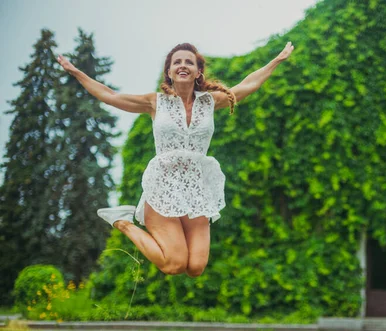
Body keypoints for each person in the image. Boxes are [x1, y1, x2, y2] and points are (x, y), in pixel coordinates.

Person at [56, 41, 294, 278]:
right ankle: (123, 221)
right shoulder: (155, 102)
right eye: (176, 62)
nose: (182, 65)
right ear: (169, 72)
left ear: (198, 72)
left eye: (188, 62)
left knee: (196, 268)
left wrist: (277, 60)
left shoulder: (210, 102)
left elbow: (247, 85)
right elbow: (110, 96)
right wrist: (76, 72)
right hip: (163, 187)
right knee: (173, 265)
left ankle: (133, 224)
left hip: (196, 190)